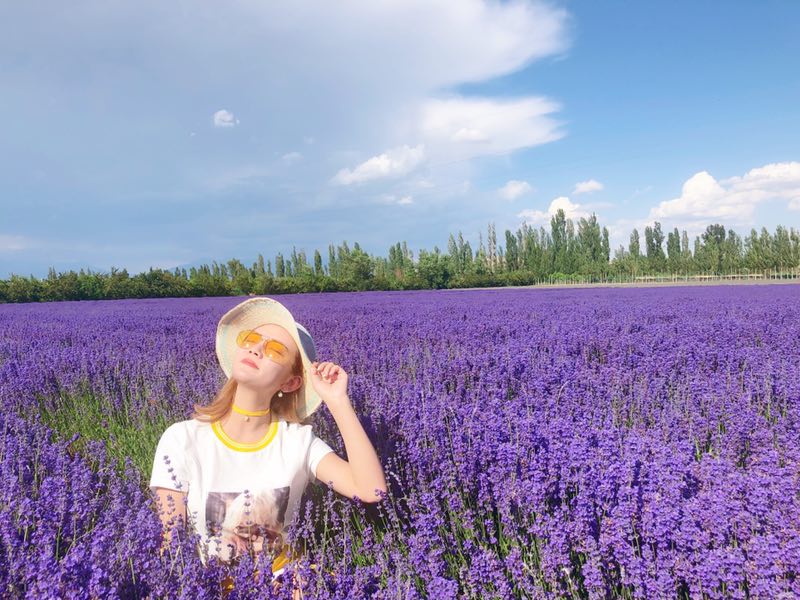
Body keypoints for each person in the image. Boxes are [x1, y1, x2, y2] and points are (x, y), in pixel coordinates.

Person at [149, 296, 388, 598]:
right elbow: (170, 543)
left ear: (289, 383)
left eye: (275, 349)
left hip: (288, 585)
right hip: (210, 588)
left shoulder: (298, 442)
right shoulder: (182, 439)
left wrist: (337, 401)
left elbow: (371, 490)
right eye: (251, 338)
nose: (257, 348)